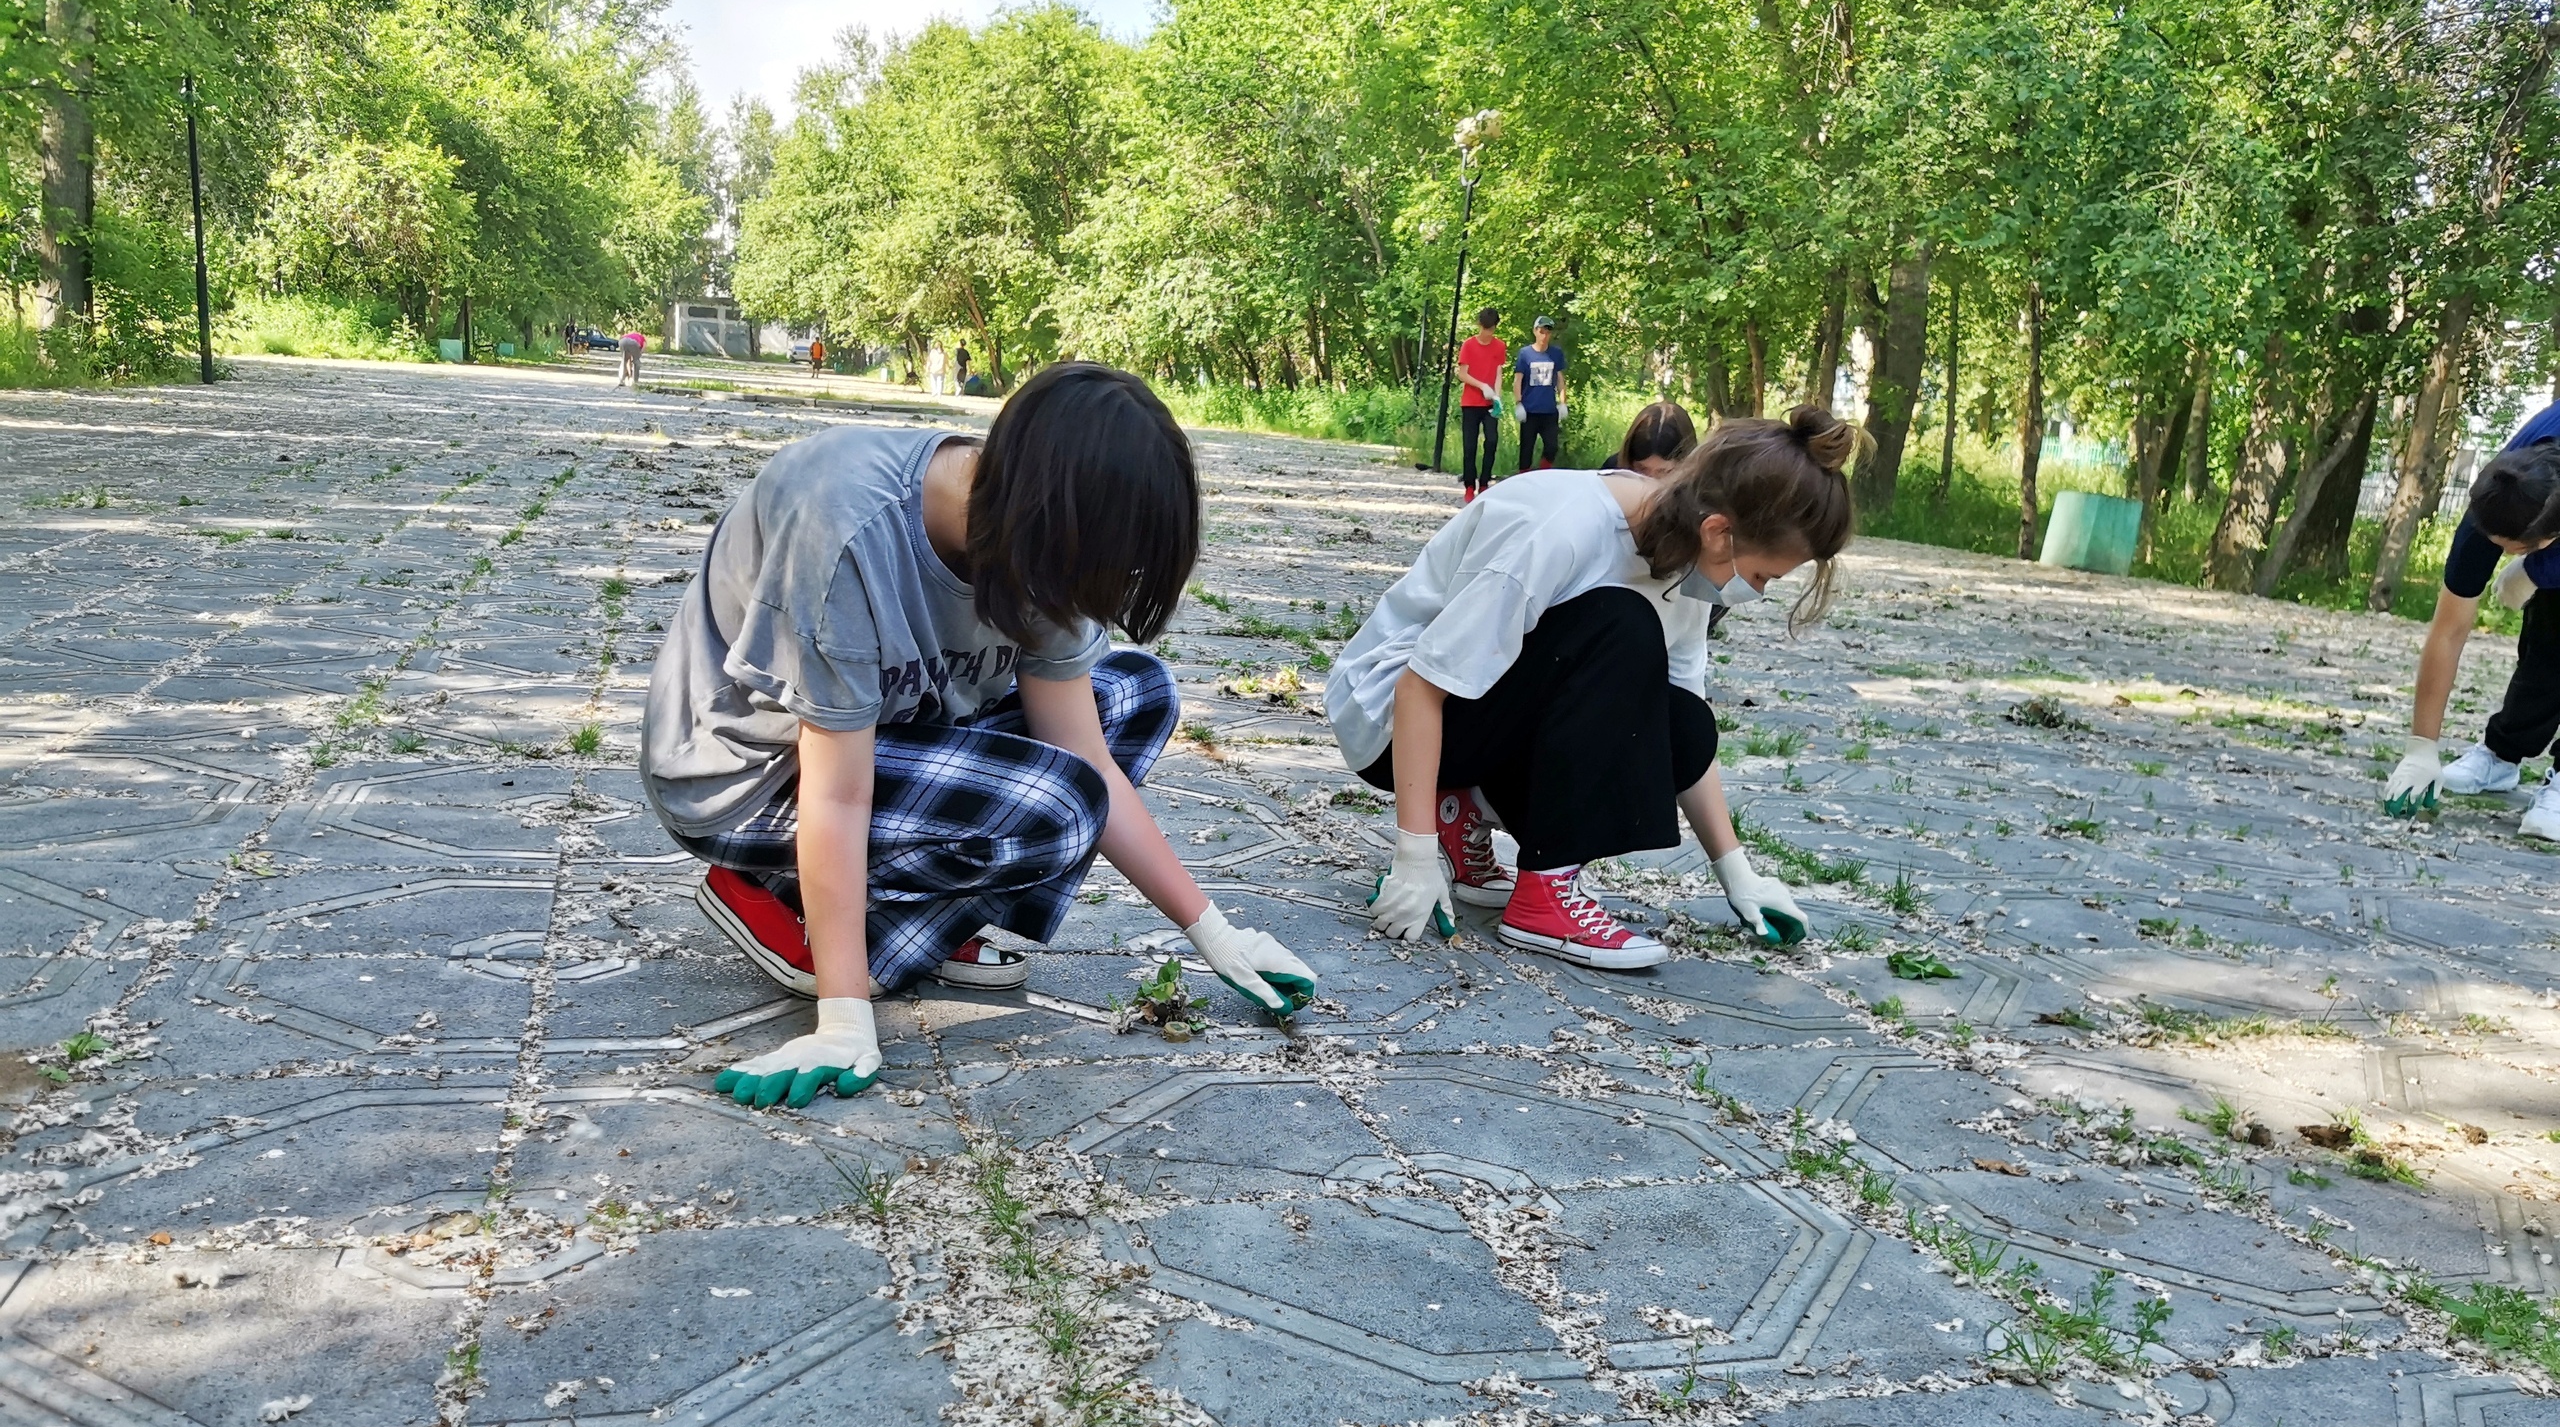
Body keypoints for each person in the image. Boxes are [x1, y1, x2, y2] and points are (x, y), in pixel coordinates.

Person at [640, 363, 1319, 1109]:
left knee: (1136, 692)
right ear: (1050, 525)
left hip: (894, 739)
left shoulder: (1041, 533)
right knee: (1058, 805)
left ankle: (893, 921)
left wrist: (1216, 933)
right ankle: (795, 915)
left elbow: (1086, 750)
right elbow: (837, 792)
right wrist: (842, 1017)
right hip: (752, 778)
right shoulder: (843, 523)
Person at [1326, 406, 1859, 970]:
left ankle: (1463, 808)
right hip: (1389, 715)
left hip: (1477, 720)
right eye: (1763, 577)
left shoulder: (1682, 559)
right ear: (1718, 532)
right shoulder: (1561, 529)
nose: (1758, 592)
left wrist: (1738, 872)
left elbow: (1672, 722)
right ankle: (1544, 893)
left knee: (1686, 725)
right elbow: (1421, 688)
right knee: (1621, 623)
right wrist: (1413, 856)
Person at [2383, 400, 2560, 840]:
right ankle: (2503, 756)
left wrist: (2537, 571)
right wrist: (2421, 748)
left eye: (2514, 548)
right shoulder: (2496, 504)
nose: (2501, 551)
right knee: (2548, 636)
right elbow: (2448, 631)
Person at [1455, 308, 1507, 502]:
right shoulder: (1468, 345)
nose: (1487, 333)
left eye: (1491, 329)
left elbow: (1498, 372)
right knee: (1469, 446)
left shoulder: (1499, 346)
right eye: (1485, 328)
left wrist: (1497, 397)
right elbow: (1462, 374)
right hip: (1470, 402)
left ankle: (1485, 482)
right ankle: (1470, 484)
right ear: (1479, 326)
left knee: (1492, 441)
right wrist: (1482, 385)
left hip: (1489, 403)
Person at [1513, 317, 1567, 474]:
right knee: (1526, 449)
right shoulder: (1525, 354)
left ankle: (1543, 473)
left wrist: (1562, 402)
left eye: (1547, 332)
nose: (1544, 335)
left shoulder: (1555, 354)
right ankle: (1523, 478)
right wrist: (1518, 403)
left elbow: (1560, 379)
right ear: (1535, 331)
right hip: (1530, 410)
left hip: (1549, 410)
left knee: (1552, 446)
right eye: (1541, 331)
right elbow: (1518, 380)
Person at [1600, 401, 1698, 476]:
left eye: (1663, 473)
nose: (1649, 481)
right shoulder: (1612, 473)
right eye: (1642, 470)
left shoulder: (1704, 494)